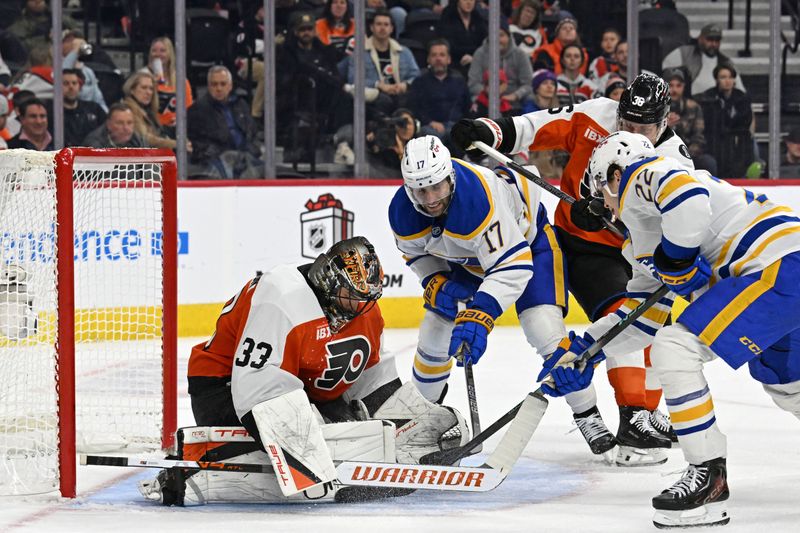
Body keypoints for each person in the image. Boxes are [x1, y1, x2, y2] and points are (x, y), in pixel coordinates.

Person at [542, 130, 800, 528]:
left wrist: (675, 258)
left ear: (613, 174)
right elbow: (641, 318)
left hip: (777, 265)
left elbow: (688, 199)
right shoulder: (645, 232)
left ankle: (707, 474)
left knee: (676, 349)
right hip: (779, 273)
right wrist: (584, 351)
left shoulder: (644, 176)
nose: (608, 209)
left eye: (602, 193)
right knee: (786, 382)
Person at [450, 73, 696, 466]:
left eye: (642, 125)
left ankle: (644, 413)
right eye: (627, 121)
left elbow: (675, 222)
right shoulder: (596, 115)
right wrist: (489, 130)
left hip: (634, 251)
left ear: (664, 122)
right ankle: (630, 416)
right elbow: (537, 127)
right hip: (576, 244)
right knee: (619, 319)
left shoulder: (675, 161)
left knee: (656, 333)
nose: (631, 130)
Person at [140, 236, 469, 505]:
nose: (360, 307)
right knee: (312, 455)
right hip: (224, 386)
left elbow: (373, 380)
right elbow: (257, 390)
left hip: (299, 384)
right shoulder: (281, 297)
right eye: (350, 297)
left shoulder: (360, 306)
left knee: (348, 436)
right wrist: (313, 445)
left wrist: (414, 424)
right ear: (328, 282)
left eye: (365, 298)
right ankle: (196, 475)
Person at [388, 135, 617, 460]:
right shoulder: (402, 211)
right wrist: (436, 282)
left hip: (529, 250)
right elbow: (416, 255)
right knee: (434, 328)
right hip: (467, 262)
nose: (430, 199)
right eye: (420, 191)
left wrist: (481, 315)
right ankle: (422, 420)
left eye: (436, 187)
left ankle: (587, 414)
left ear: (450, 175)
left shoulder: (478, 198)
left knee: (547, 335)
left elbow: (512, 265)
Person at [187, 66, 262, 179]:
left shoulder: (241, 105)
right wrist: (221, 154)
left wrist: (250, 152)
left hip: (245, 156)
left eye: (223, 84)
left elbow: (253, 134)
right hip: (216, 160)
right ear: (208, 86)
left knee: (273, 173)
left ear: (230, 86)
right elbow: (198, 143)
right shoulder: (197, 110)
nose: (219, 88)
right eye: (214, 84)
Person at [343, 9, 420, 117]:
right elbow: (353, 78)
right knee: (383, 100)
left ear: (391, 28)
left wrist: (405, 84)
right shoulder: (359, 53)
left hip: (400, 94)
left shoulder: (404, 52)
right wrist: (379, 85)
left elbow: (416, 75)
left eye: (386, 24)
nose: (382, 28)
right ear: (371, 28)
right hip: (374, 97)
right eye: (378, 24)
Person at [408, 39, 471, 150]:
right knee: (431, 137)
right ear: (428, 59)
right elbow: (414, 108)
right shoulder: (419, 82)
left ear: (449, 59)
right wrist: (430, 122)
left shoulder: (459, 80)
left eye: (442, 55)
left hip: (454, 125)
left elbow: (466, 106)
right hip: (429, 127)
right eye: (434, 55)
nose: (438, 59)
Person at [696, 63, 754, 178]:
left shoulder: (742, 97)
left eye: (730, 77)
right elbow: (710, 124)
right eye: (723, 77)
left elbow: (745, 122)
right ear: (717, 80)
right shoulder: (709, 97)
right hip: (715, 141)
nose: (727, 81)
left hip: (738, 142)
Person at [467, 19, 533, 113]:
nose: (497, 39)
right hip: (486, 101)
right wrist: (489, 93)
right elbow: (473, 83)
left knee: (530, 99)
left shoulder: (520, 55)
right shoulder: (480, 53)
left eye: (501, 35)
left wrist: (515, 95)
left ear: (509, 36)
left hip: (513, 103)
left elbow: (528, 84)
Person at [662, 23, 745, 96]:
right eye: (710, 39)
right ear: (700, 39)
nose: (713, 44)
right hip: (690, 103)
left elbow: (740, 89)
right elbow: (666, 71)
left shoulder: (726, 62)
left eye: (717, 40)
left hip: (717, 105)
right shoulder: (684, 53)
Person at [664, 67, 716, 174]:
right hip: (662, 154)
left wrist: (685, 156)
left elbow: (699, 138)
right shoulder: (656, 106)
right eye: (671, 85)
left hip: (688, 154)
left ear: (684, 87)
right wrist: (665, 126)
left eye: (678, 85)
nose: (674, 90)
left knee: (708, 162)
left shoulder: (693, 107)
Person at [122, 70, 184, 151]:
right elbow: (145, 139)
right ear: (132, 90)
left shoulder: (148, 110)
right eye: (144, 88)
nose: (148, 92)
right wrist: (177, 144)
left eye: (151, 89)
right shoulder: (127, 110)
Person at [44, 68, 106, 147]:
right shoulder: (49, 111)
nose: (71, 87)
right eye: (66, 83)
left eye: (74, 83)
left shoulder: (94, 108)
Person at [143, 36, 193, 129]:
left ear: (170, 54)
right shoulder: (143, 76)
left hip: (176, 128)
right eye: (154, 50)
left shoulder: (181, 80)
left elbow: (188, 109)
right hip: (151, 128)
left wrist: (180, 120)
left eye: (162, 50)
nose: (157, 54)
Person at [437, 0, 488, 77]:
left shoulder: (478, 17)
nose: (468, 2)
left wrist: (474, 57)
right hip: (454, 62)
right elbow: (448, 45)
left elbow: (485, 42)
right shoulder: (448, 16)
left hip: (476, 60)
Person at [8, 0, 79, 53]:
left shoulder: (56, 17)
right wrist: (46, 38)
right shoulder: (22, 23)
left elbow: (77, 31)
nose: (37, 1)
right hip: (38, 58)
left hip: (63, 54)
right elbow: (19, 45)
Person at [83, 102, 147, 148]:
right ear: (108, 124)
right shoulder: (94, 144)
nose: (126, 128)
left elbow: (149, 163)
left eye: (129, 123)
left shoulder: (138, 139)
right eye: (120, 123)